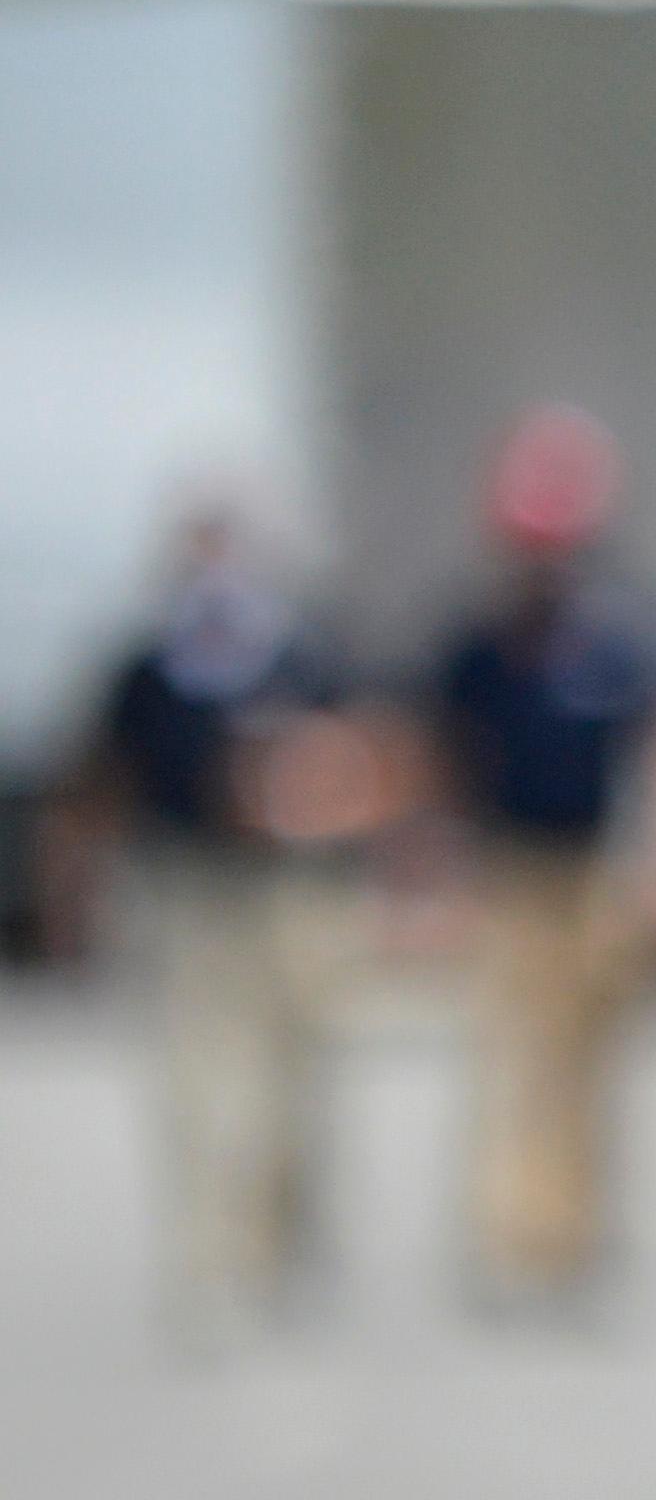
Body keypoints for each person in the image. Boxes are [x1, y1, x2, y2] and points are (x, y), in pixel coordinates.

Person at [73, 496, 382, 1334]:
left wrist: (308, 803)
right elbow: (103, 778)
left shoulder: (302, 655)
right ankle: (213, 1256)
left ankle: (284, 1239)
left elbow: (365, 762)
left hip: (294, 892)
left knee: (293, 1080)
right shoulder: (148, 666)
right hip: (190, 888)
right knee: (200, 1081)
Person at [429, 407, 656, 1315]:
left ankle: (576, 1241)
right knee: (510, 1062)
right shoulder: (476, 647)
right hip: (509, 875)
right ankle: (509, 1241)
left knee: (589, 1065)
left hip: (594, 873)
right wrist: (431, 878)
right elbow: (442, 765)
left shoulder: (625, 641)